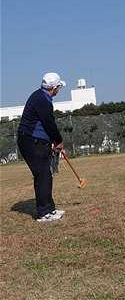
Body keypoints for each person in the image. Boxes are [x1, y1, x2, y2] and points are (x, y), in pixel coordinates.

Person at [17, 72, 66, 222]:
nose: (59, 90)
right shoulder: (42, 99)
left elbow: (46, 124)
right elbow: (48, 123)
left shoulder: (42, 96)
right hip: (31, 142)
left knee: (46, 175)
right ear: (55, 87)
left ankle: (49, 209)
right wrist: (58, 141)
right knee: (43, 175)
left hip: (37, 141)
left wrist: (53, 141)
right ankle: (44, 213)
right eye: (59, 87)